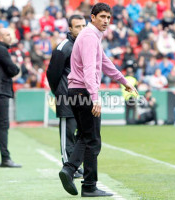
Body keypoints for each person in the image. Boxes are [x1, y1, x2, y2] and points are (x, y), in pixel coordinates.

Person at [59, 3, 137, 197]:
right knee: (93, 139)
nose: (106, 21)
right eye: (102, 16)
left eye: (108, 18)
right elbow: (89, 70)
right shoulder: (89, 36)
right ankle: (86, 183)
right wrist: (95, 98)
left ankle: (71, 172)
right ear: (92, 17)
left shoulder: (91, 36)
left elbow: (104, 62)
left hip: (77, 91)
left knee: (85, 136)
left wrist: (123, 81)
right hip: (84, 92)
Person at [47, 15, 86, 178]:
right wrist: (60, 92)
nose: (82, 30)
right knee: (68, 132)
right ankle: (68, 166)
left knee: (81, 133)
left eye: (84, 26)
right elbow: (52, 73)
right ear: (70, 29)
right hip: (66, 96)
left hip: (81, 96)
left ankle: (75, 165)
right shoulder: (63, 47)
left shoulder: (84, 45)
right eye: (78, 26)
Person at [0, 28, 21, 168]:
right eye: (7, 35)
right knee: (3, 125)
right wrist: (17, 67)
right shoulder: (0, 50)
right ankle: (5, 159)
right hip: (0, 90)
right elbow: (13, 69)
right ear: (0, 37)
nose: (10, 37)